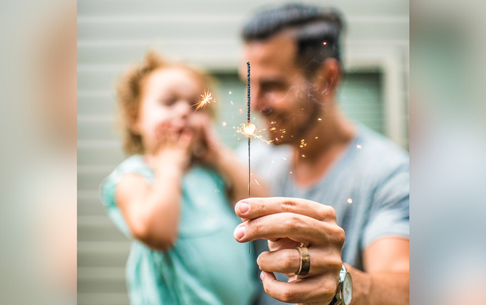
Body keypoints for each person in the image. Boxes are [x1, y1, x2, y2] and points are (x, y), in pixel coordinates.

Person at [233, 4, 409, 305]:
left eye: (273, 85)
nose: (255, 103)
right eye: (249, 85)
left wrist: (341, 282)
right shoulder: (254, 160)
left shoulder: (390, 175)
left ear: (326, 79)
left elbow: (404, 286)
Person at [100, 51, 267, 304]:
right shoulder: (134, 176)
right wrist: (170, 167)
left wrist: (219, 156)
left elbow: (264, 204)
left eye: (195, 105)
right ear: (136, 118)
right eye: (169, 102)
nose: (183, 111)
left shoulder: (213, 172)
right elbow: (158, 234)